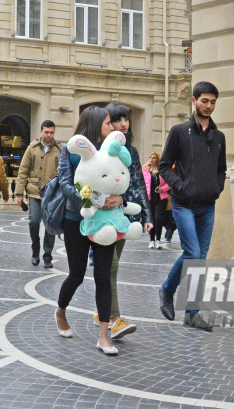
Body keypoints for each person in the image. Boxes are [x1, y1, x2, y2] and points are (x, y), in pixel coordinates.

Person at [157, 81, 227, 331]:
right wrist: (180, 186)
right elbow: (164, 165)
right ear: (194, 101)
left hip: (207, 205)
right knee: (193, 254)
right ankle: (167, 290)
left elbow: (221, 170)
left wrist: (217, 188)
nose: (209, 106)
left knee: (200, 259)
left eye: (213, 102)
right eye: (204, 101)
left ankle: (192, 314)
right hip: (184, 203)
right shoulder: (179, 132)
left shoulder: (219, 137)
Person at [55, 106, 124, 355]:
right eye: (108, 123)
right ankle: (60, 311)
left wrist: (120, 199)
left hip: (105, 222)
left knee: (103, 277)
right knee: (76, 274)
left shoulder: (113, 151)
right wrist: (93, 199)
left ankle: (104, 336)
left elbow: (121, 178)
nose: (112, 127)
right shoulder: (70, 150)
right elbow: (65, 184)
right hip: (76, 219)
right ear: (95, 125)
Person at [90, 102, 153, 340]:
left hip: (122, 217)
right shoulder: (94, 151)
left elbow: (137, 183)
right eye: (117, 120)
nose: (124, 124)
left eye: (126, 119)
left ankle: (102, 311)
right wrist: (100, 199)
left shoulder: (131, 152)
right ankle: (114, 318)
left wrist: (146, 214)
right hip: (97, 218)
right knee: (111, 267)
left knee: (110, 269)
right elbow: (81, 183)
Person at [15, 120, 61, 268]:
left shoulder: (59, 149)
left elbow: (64, 172)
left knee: (50, 226)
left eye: (51, 132)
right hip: (34, 192)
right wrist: (19, 193)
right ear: (41, 132)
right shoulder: (32, 148)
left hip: (52, 195)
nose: (49, 135)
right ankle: (35, 250)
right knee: (34, 222)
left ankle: (47, 255)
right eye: (46, 132)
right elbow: (23, 171)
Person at [142, 152, 170, 249]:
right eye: (150, 157)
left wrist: (162, 189)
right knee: (151, 220)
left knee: (158, 219)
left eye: (153, 158)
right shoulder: (145, 170)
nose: (151, 159)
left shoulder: (162, 170)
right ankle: (151, 241)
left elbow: (169, 183)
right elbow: (142, 184)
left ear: (157, 160)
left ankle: (158, 240)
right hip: (150, 199)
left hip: (161, 198)